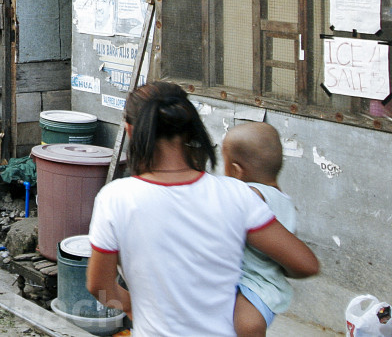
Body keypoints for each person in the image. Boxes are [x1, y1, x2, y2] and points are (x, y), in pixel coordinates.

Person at [87, 81, 319, 337]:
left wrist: (132, 305)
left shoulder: (116, 198)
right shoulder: (237, 195)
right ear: (190, 130)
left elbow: (100, 286)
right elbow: (305, 264)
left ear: (131, 131)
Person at [224, 122, 300, 337]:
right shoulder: (283, 200)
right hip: (268, 281)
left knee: (245, 326)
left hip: (255, 283)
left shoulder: (251, 195)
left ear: (236, 171)